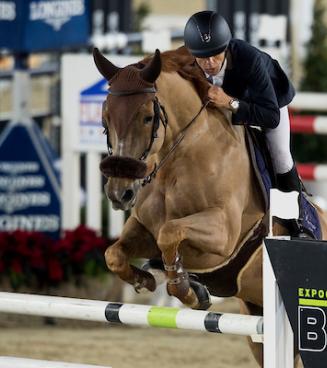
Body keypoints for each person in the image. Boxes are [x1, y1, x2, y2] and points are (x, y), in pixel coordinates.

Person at [184, 10, 312, 238]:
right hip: (227, 105)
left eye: (216, 55)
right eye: (203, 57)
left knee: (280, 156)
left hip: (268, 102)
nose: (210, 63)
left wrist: (230, 102)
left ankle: (298, 222)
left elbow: (270, 116)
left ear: (225, 48)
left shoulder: (249, 60)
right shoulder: (191, 63)